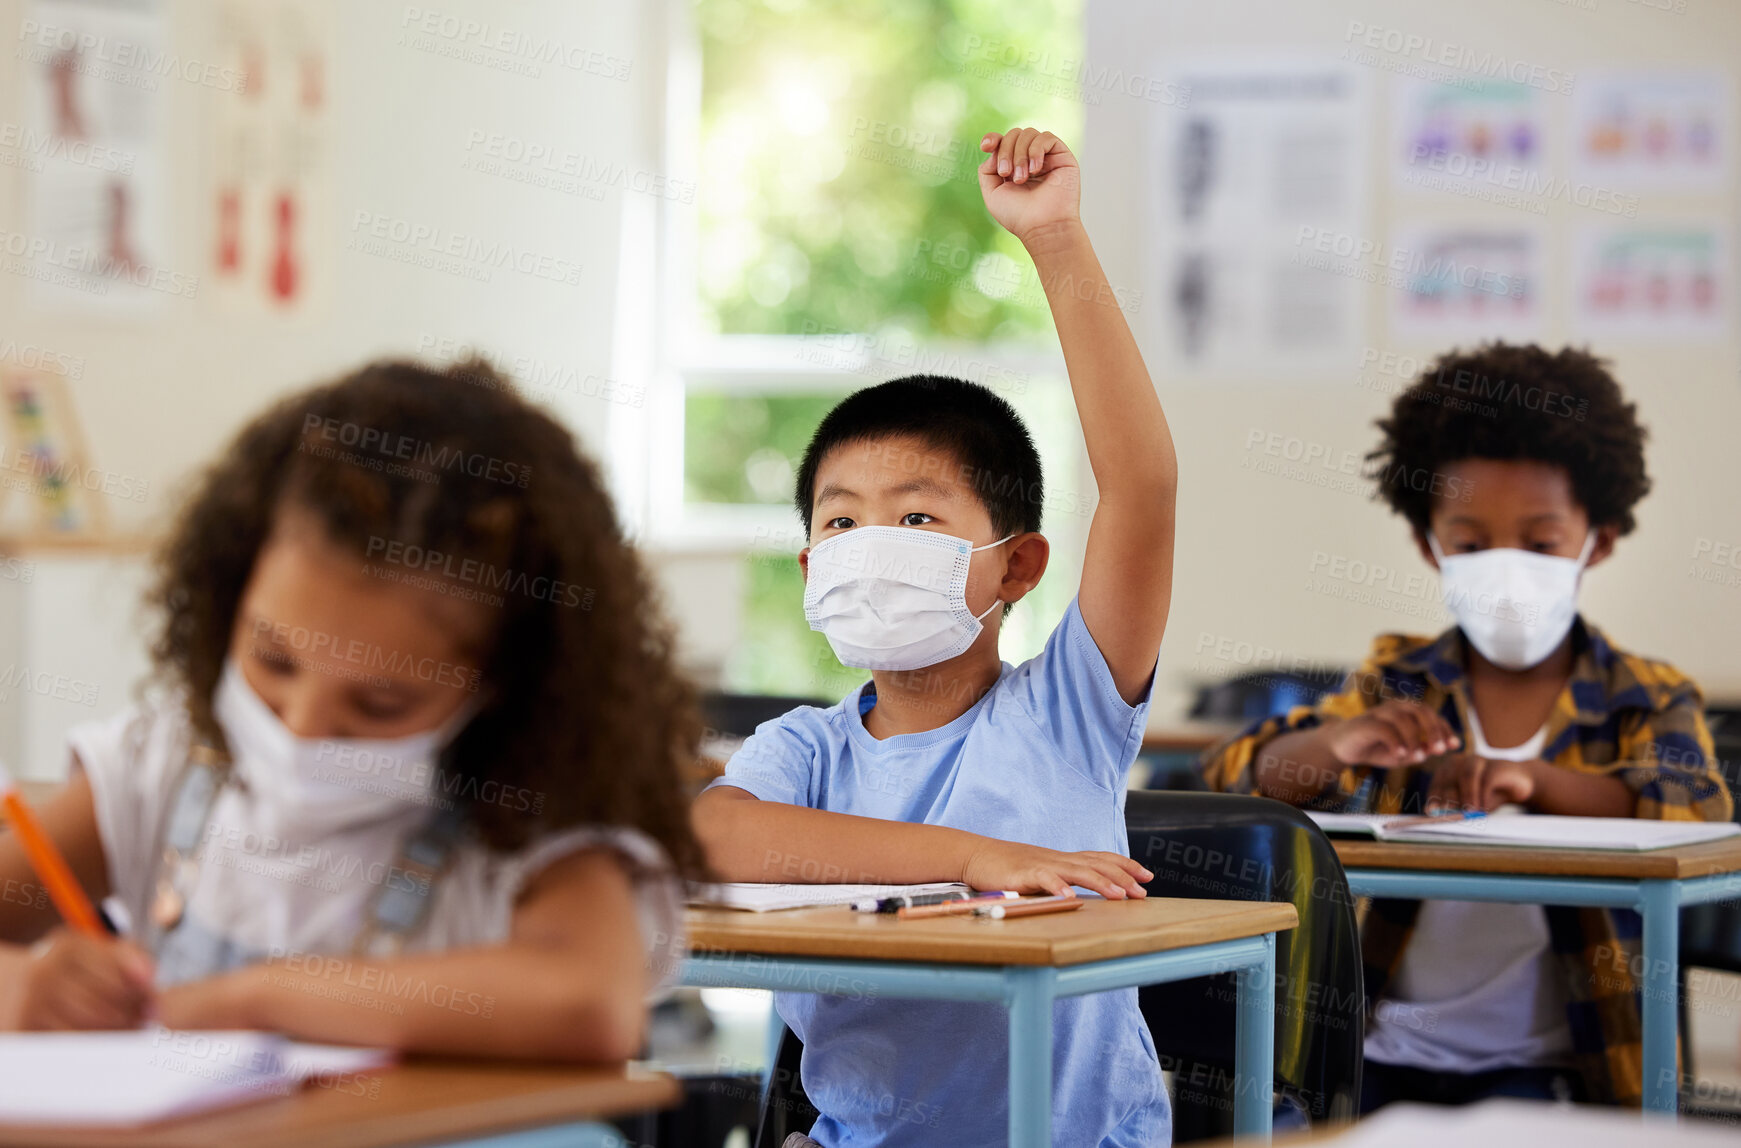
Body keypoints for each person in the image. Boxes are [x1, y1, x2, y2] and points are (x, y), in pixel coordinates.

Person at [694, 127, 1178, 1146]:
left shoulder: (1069, 711)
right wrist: (971, 858)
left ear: (1017, 565)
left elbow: (1140, 484)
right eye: (840, 521)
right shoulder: (804, 748)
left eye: (916, 519)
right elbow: (719, 835)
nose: (872, 547)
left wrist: (1055, 241)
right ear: (808, 568)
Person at [0, 359, 703, 1060]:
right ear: (227, 599)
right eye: (272, 661)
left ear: (504, 687)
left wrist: (256, 998)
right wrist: (22, 987)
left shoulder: (530, 835)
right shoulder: (162, 771)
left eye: (381, 702)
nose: (300, 726)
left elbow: (586, 1004)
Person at [1201, 342, 1731, 1109]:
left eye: (1541, 542)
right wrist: (1332, 744)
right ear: (1428, 545)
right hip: (1380, 1050)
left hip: (1560, 1070)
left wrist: (1533, 782)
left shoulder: (1641, 693)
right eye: (1472, 544)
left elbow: (1693, 808)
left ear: (1598, 540)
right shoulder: (1397, 679)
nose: (1506, 568)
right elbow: (1240, 775)